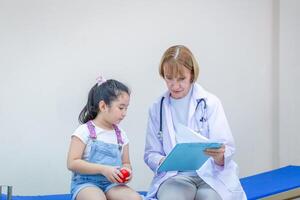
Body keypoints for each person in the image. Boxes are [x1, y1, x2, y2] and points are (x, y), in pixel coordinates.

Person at [144, 45, 246, 200]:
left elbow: (228, 147)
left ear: (192, 74)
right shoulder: (157, 108)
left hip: (211, 175)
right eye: (169, 78)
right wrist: (162, 160)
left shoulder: (210, 102)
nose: (175, 85)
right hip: (175, 177)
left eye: (181, 79)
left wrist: (220, 156)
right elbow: (150, 153)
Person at [67, 77, 142, 200]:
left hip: (113, 185)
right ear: (103, 106)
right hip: (86, 184)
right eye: (121, 108)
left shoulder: (121, 135)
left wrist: (127, 172)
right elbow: (72, 163)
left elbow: (126, 163)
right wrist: (103, 170)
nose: (124, 113)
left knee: (135, 198)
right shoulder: (84, 131)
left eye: (126, 108)